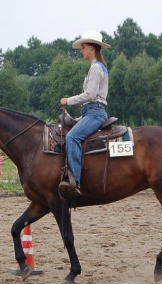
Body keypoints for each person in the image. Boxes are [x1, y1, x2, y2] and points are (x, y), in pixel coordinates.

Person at [58, 31, 111, 197]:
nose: (81, 50)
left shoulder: (96, 68)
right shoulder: (97, 67)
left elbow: (90, 95)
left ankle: (75, 181)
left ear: (92, 47)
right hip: (92, 112)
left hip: (95, 113)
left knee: (72, 137)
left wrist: (68, 100)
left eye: (83, 47)